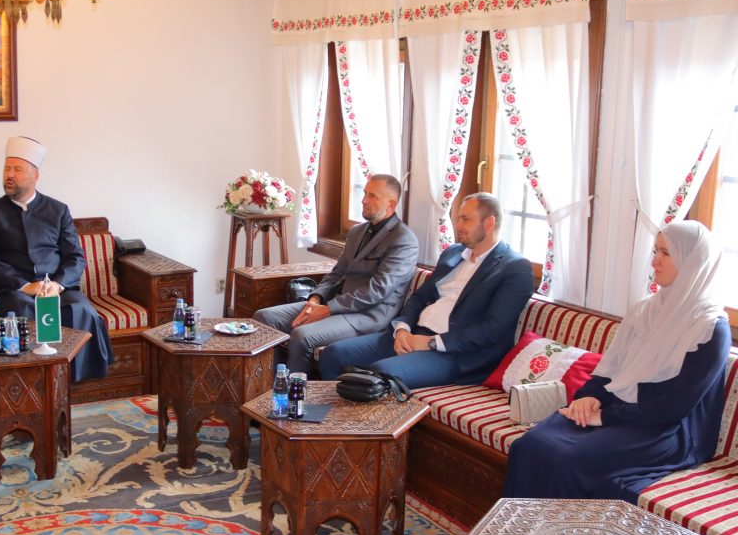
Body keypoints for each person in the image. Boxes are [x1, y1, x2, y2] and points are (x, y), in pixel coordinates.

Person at [504, 221, 729, 502]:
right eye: (656, 251)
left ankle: (559, 530)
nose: (655, 261)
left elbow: (676, 405)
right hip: (619, 407)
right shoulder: (645, 309)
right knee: (531, 443)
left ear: (693, 262)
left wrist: (604, 416)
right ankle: (519, 527)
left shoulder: (710, 328)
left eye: (666, 253)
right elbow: (612, 367)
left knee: (565, 456)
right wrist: (589, 397)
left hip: (667, 430)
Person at [318, 192, 534, 386]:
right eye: (458, 218)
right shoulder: (453, 253)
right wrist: (402, 328)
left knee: (383, 373)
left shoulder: (515, 268)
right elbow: (420, 297)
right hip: (414, 335)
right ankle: (333, 418)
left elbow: (492, 329)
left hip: (456, 353)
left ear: (489, 223)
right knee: (333, 354)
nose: (458, 225)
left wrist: (432, 343)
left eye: (466, 219)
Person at [0, 136, 113, 381]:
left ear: (35, 175)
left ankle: (73, 381)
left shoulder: (58, 210)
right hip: (14, 289)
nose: (10, 175)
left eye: (18, 169)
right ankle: (27, 382)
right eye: (7, 169)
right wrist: (25, 285)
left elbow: (75, 257)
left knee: (81, 310)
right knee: (20, 310)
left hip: (56, 288)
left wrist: (57, 284)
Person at [253, 174, 419, 375]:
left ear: (390, 204)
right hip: (337, 304)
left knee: (302, 336)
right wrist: (316, 299)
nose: (363, 200)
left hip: (368, 316)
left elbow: (376, 292)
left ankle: (293, 392)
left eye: (372, 196)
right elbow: (337, 273)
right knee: (264, 317)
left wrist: (328, 309)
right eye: (365, 193)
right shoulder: (357, 232)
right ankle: (269, 383)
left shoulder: (404, 240)